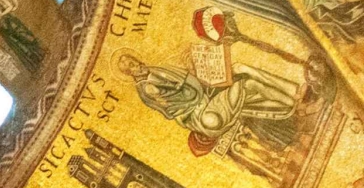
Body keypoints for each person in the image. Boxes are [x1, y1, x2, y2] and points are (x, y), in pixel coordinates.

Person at [117, 53, 299, 152]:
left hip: (206, 102)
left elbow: (187, 82)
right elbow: (185, 97)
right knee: (248, 83)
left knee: (244, 77)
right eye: (132, 66)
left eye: (134, 61)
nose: (137, 65)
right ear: (129, 73)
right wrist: (199, 79)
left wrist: (199, 71)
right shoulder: (148, 88)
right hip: (201, 112)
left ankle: (291, 98)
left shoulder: (153, 71)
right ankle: (293, 101)